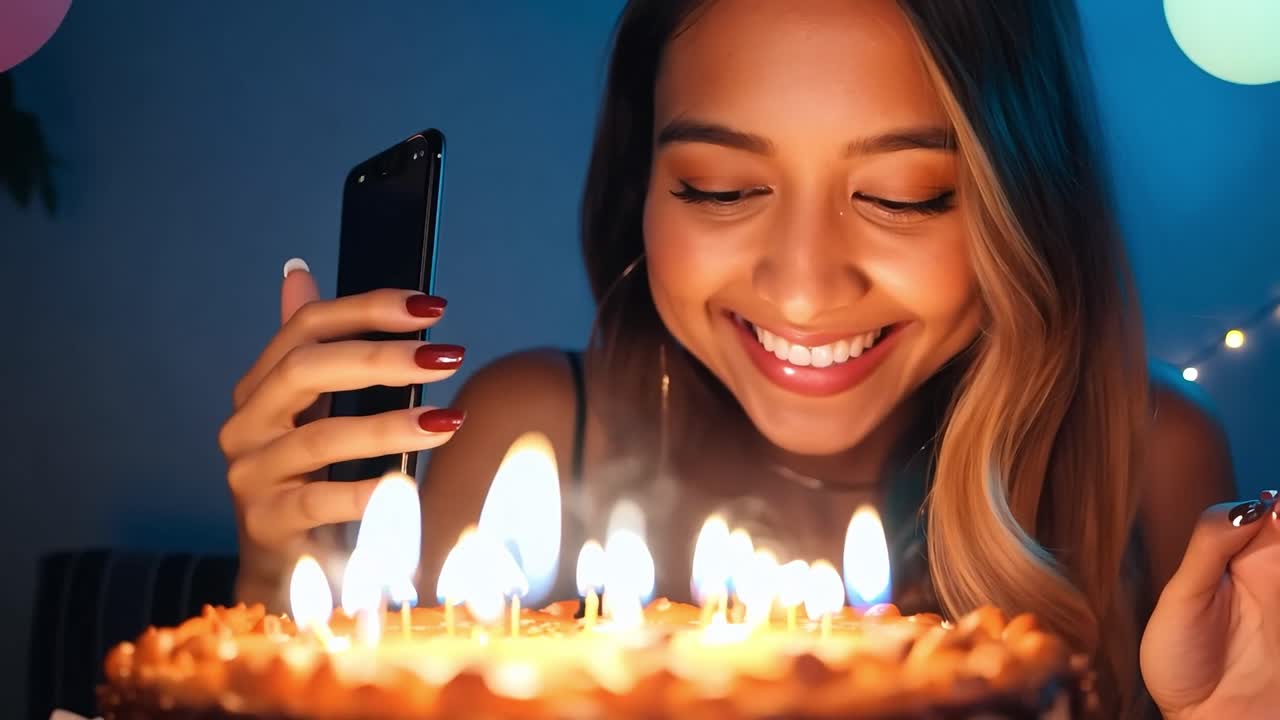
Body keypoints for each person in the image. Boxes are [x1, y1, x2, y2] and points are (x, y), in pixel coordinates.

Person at [216, 1, 1278, 717]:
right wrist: (280, 593)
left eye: (903, 196)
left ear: (1020, 205)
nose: (805, 286)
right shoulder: (526, 430)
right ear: (640, 189)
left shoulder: (1146, 464)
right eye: (720, 188)